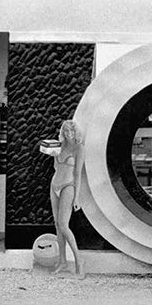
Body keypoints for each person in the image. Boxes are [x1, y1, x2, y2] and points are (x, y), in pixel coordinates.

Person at [49, 119, 86, 278]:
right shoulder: (59, 146)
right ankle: (62, 261)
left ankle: (79, 261)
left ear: (75, 132)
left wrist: (77, 197)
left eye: (71, 131)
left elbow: (78, 174)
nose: (69, 134)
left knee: (64, 225)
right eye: (66, 131)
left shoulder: (79, 148)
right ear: (63, 132)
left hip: (68, 186)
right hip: (54, 185)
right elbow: (56, 167)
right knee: (58, 225)